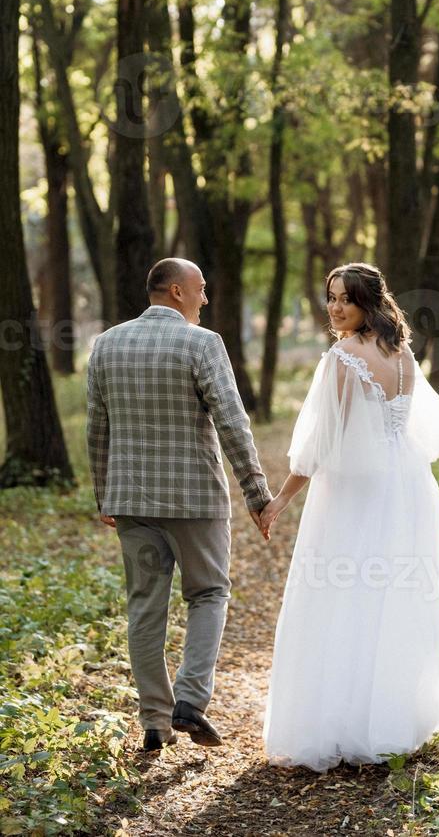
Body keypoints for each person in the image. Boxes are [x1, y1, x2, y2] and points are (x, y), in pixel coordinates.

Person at [260, 263, 439, 772]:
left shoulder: (344, 357)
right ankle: (395, 717)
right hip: (409, 485)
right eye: (330, 297)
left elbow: (320, 445)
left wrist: (280, 499)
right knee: (391, 592)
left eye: (345, 300)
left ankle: (344, 721)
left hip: (357, 492)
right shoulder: (401, 353)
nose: (335, 308)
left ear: (368, 302)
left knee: (343, 593)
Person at [87, 258, 272, 752]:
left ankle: (154, 720)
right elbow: (232, 422)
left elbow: (96, 428)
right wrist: (256, 493)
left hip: (130, 501)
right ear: (176, 291)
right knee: (209, 593)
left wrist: (103, 491)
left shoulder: (106, 345)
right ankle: (190, 701)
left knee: (145, 607)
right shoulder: (201, 343)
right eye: (201, 289)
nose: (205, 299)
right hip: (195, 500)